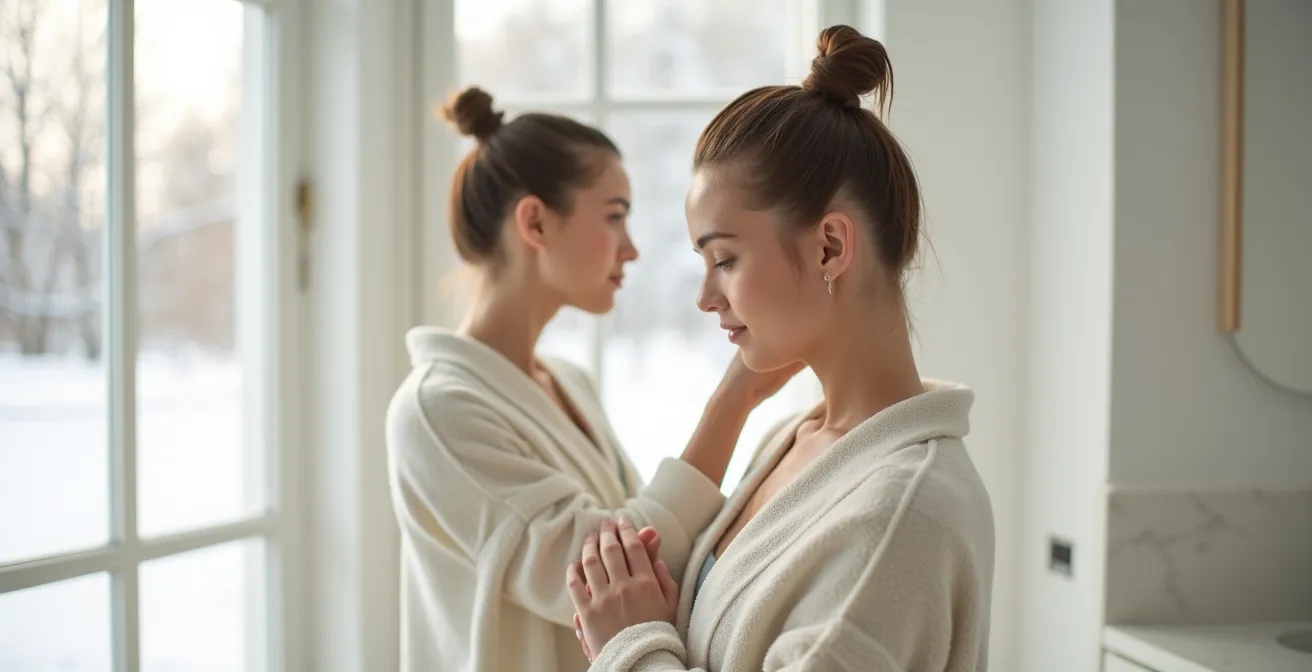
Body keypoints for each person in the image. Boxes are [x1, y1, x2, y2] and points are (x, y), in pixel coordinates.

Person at [567, 25, 996, 672]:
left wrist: (632, 645)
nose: (704, 297)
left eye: (724, 259)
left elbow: (647, 638)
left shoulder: (901, 515)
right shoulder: (794, 439)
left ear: (829, 247)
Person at [383, 87, 801, 672]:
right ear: (535, 222)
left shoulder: (568, 381)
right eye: (614, 217)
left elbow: (648, 549)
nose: (630, 249)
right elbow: (607, 577)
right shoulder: (435, 411)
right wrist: (735, 399)